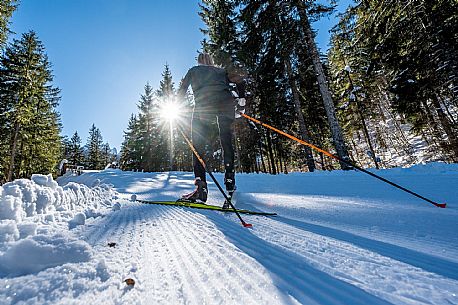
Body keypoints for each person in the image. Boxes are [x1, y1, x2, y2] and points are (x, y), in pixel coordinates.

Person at [177, 53, 245, 207]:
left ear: (199, 61)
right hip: (225, 104)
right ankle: (229, 181)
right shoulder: (220, 71)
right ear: (211, 61)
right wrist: (241, 102)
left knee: (198, 144)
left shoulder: (194, 71)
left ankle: (201, 188)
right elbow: (240, 80)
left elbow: (182, 90)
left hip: (204, 106)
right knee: (226, 141)